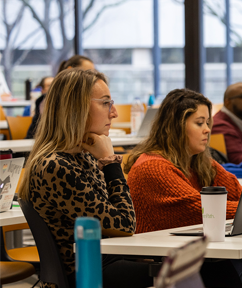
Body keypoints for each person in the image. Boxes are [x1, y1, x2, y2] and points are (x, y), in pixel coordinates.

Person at [124, 88, 242, 288]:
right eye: (199, 123)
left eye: (208, 123)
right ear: (175, 126)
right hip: (161, 258)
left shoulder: (200, 163)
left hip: (194, 250)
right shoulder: (152, 167)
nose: (208, 129)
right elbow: (202, 210)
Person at [17, 68, 152, 288]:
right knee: (210, 270)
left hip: (109, 261)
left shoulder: (83, 156)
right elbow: (125, 224)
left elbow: (121, 223)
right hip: (87, 274)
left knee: (204, 265)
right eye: (106, 103)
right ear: (76, 108)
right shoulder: (56, 166)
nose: (114, 112)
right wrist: (110, 162)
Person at [26, 55, 96, 139]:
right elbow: (57, 131)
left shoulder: (82, 97)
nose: (92, 78)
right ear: (70, 70)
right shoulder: (50, 98)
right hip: (39, 146)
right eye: (87, 72)